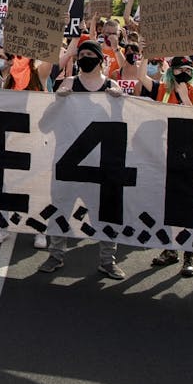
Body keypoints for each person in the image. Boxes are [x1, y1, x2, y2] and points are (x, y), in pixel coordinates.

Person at [39, 40, 128, 278]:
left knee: (105, 214)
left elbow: (121, 128)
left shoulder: (112, 86)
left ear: (100, 60)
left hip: (100, 166)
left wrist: (120, 103)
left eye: (90, 54)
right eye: (82, 54)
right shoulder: (69, 84)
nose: (85, 57)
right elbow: (44, 125)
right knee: (60, 210)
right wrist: (58, 101)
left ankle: (107, 260)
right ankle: (55, 255)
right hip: (69, 163)